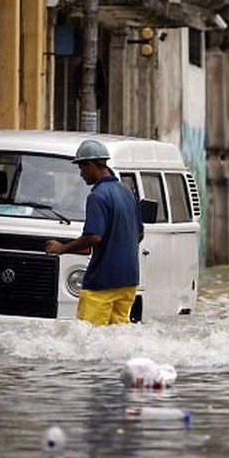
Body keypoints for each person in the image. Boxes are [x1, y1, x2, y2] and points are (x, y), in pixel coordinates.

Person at [45, 139, 143, 326]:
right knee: (117, 335)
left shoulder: (97, 196)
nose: (81, 175)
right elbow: (139, 234)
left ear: (91, 165)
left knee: (88, 338)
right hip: (129, 281)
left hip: (102, 282)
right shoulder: (127, 192)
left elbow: (94, 236)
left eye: (81, 168)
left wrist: (62, 248)